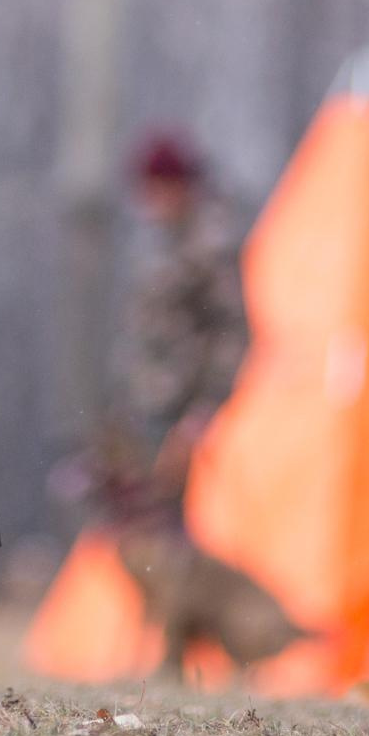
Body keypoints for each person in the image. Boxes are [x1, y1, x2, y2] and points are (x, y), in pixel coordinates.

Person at [114, 130, 248, 489]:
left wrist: (205, 412)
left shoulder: (211, 246)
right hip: (161, 412)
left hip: (196, 422)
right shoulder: (165, 244)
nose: (149, 202)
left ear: (179, 187)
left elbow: (233, 332)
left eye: (157, 189)